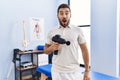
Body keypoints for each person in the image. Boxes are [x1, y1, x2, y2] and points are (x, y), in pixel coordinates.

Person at [44, 3, 90, 80]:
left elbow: (84, 50)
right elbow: (45, 51)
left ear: (70, 15)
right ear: (57, 16)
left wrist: (87, 70)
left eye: (66, 13)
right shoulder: (51, 32)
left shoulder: (77, 30)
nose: (64, 16)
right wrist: (51, 48)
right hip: (57, 71)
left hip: (74, 71)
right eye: (61, 13)